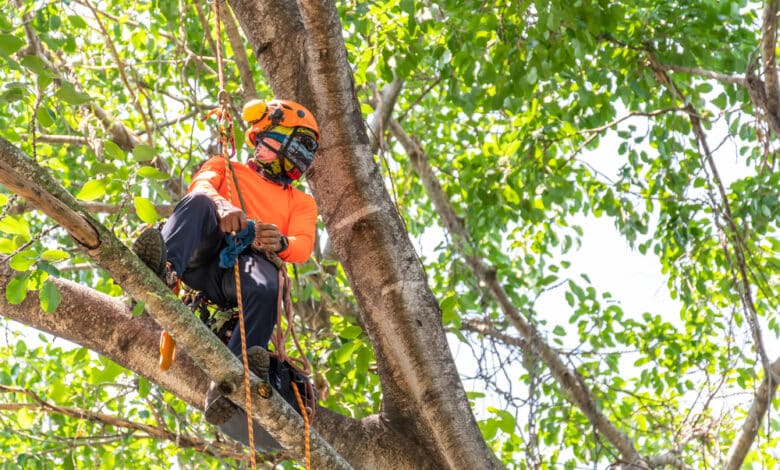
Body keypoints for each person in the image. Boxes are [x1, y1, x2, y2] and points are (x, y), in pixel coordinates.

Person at [132, 98, 320, 449]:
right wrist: (222, 205)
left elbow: (302, 246)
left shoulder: (301, 202)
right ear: (262, 139)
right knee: (199, 203)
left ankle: (236, 377)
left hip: (246, 270)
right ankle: (163, 271)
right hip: (203, 256)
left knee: (269, 285)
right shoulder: (225, 166)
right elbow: (200, 188)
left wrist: (278, 242)